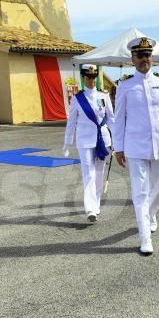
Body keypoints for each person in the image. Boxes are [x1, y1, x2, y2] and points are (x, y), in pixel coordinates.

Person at [113, 37, 159, 256]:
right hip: (135, 147)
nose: (145, 59)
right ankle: (145, 237)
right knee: (140, 193)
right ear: (132, 59)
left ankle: (151, 215)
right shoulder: (125, 85)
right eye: (140, 55)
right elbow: (119, 118)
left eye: (147, 55)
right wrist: (118, 147)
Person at [63, 64, 115, 222]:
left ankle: (96, 202)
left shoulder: (103, 96)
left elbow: (111, 119)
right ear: (84, 78)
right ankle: (90, 208)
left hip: (103, 140)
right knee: (89, 174)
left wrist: (118, 141)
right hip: (85, 140)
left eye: (93, 77)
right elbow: (71, 122)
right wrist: (67, 143)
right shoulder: (78, 99)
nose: (91, 80)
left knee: (99, 174)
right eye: (88, 77)